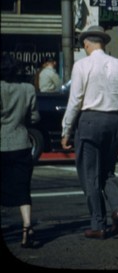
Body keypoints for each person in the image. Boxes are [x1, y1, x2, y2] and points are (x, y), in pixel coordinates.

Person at [61, 25, 118, 239]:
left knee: (90, 175)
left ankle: (98, 224)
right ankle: (117, 209)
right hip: (116, 121)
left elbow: (75, 101)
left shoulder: (82, 65)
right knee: (108, 170)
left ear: (86, 44)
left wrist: (66, 130)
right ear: (104, 43)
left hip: (91, 120)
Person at [1, 54, 41, 248]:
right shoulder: (28, 89)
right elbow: (34, 118)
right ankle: (27, 227)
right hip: (21, 143)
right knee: (23, 188)